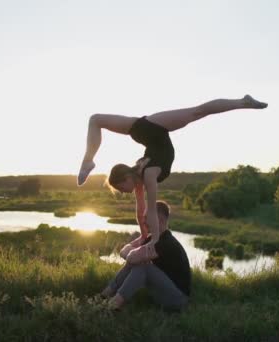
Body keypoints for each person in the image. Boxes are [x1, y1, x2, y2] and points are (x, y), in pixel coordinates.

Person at [77, 95, 268, 251]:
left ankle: (243, 102)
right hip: (145, 131)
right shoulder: (139, 178)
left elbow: (150, 210)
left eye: (120, 188)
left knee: (197, 112)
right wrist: (144, 236)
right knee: (95, 119)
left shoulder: (148, 175)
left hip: (152, 129)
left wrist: (154, 241)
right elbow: (140, 210)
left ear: (127, 177)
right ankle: (87, 161)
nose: (123, 192)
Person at [100, 201, 191, 311]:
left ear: (159, 220)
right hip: (164, 292)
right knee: (137, 262)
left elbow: (130, 256)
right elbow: (123, 251)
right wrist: (134, 252)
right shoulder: (152, 238)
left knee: (143, 267)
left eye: (148, 217)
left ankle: (114, 305)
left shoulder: (166, 243)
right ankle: (105, 295)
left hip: (178, 299)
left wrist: (133, 254)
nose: (145, 221)